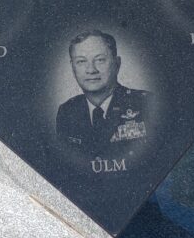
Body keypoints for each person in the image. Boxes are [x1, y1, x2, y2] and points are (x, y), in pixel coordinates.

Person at [56, 30, 150, 158]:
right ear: (73, 68)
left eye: (100, 60)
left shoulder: (145, 104)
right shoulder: (67, 111)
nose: (91, 70)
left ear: (117, 64)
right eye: (81, 61)